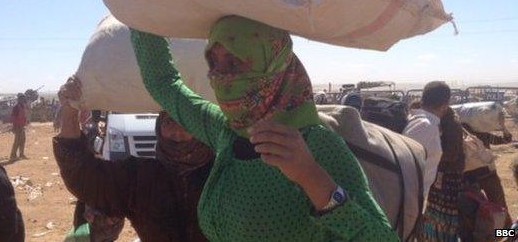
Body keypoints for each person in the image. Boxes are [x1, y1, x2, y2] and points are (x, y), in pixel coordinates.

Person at [130, 16, 398, 241]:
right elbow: (163, 82)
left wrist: (312, 178)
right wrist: (140, 11)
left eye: (233, 63)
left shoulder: (317, 145)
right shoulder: (226, 134)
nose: (221, 77)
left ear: (274, 64)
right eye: (214, 63)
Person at [54, 77, 214, 242]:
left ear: (201, 127)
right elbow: (83, 175)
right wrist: (70, 110)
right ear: (159, 127)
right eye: (169, 122)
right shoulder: (141, 177)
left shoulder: (223, 174)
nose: (177, 132)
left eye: (187, 123)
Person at [418, 108, 464, 241]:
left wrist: (432, 154)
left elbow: (452, 153)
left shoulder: (452, 125)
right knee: (435, 211)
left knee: (445, 214)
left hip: (449, 176)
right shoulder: (439, 123)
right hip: (441, 175)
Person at [403, 81, 451, 200]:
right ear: (445, 106)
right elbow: (407, 162)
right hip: (409, 198)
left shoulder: (419, 120)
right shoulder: (426, 126)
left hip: (411, 196)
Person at [10, 94, 28, 161]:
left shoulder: (22, 106)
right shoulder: (16, 107)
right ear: (20, 99)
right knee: (17, 141)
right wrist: (14, 127)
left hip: (22, 126)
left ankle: (21, 154)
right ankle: (13, 155)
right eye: (23, 99)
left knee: (23, 140)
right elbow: (13, 118)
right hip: (17, 126)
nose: (24, 100)